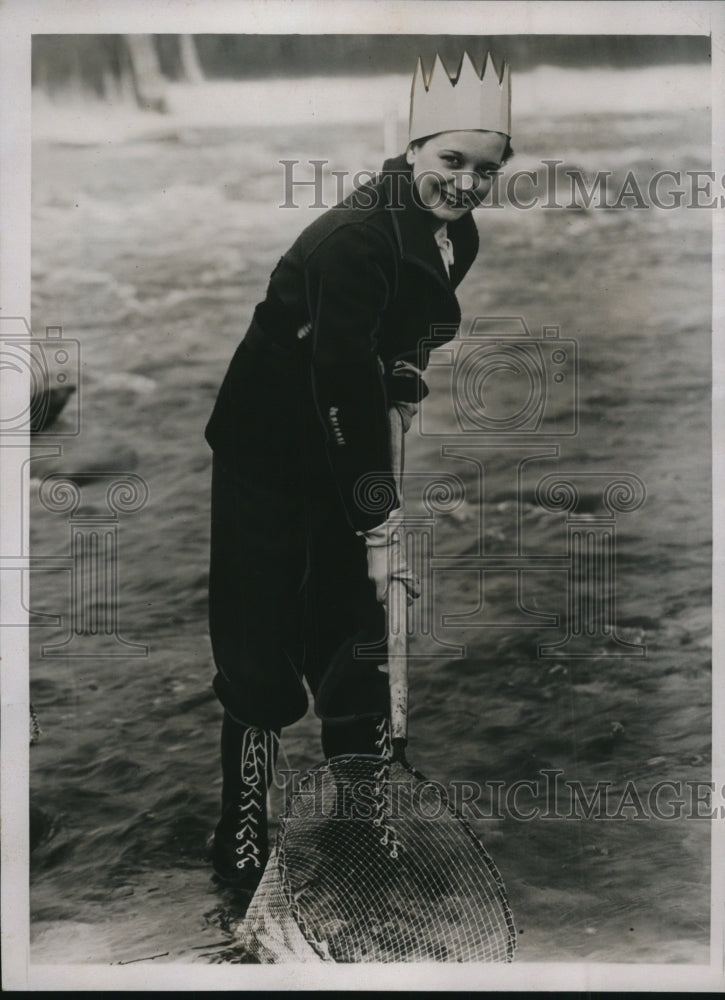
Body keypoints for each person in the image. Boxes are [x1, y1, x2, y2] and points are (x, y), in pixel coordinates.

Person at [204, 50, 513, 893]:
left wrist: (405, 376)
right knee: (260, 628)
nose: (466, 183)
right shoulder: (353, 239)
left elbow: (402, 332)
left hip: (345, 434)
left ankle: (360, 811)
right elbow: (338, 373)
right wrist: (378, 519)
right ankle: (239, 820)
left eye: (486, 169)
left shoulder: (455, 236)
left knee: (355, 626)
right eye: (451, 162)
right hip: (270, 448)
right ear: (412, 150)